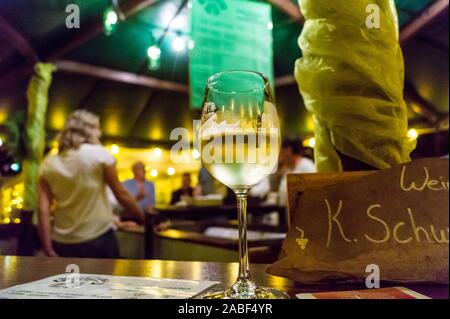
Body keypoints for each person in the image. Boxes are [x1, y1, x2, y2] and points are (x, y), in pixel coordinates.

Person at [38, 110, 144, 258]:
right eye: (96, 128)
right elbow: (121, 194)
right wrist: (143, 218)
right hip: (98, 239)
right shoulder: (99, 155)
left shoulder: (48, 163)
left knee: (68, 282)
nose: (99, 133)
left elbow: (43, 210)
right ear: (87, 130)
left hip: (62, 241)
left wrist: (48, 248)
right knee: (103, 281)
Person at [278, 137, 317, 205]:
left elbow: (313, 194)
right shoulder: (288, 169)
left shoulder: (307, 166)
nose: (280, 155)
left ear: (289, 150)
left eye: (282, 151)